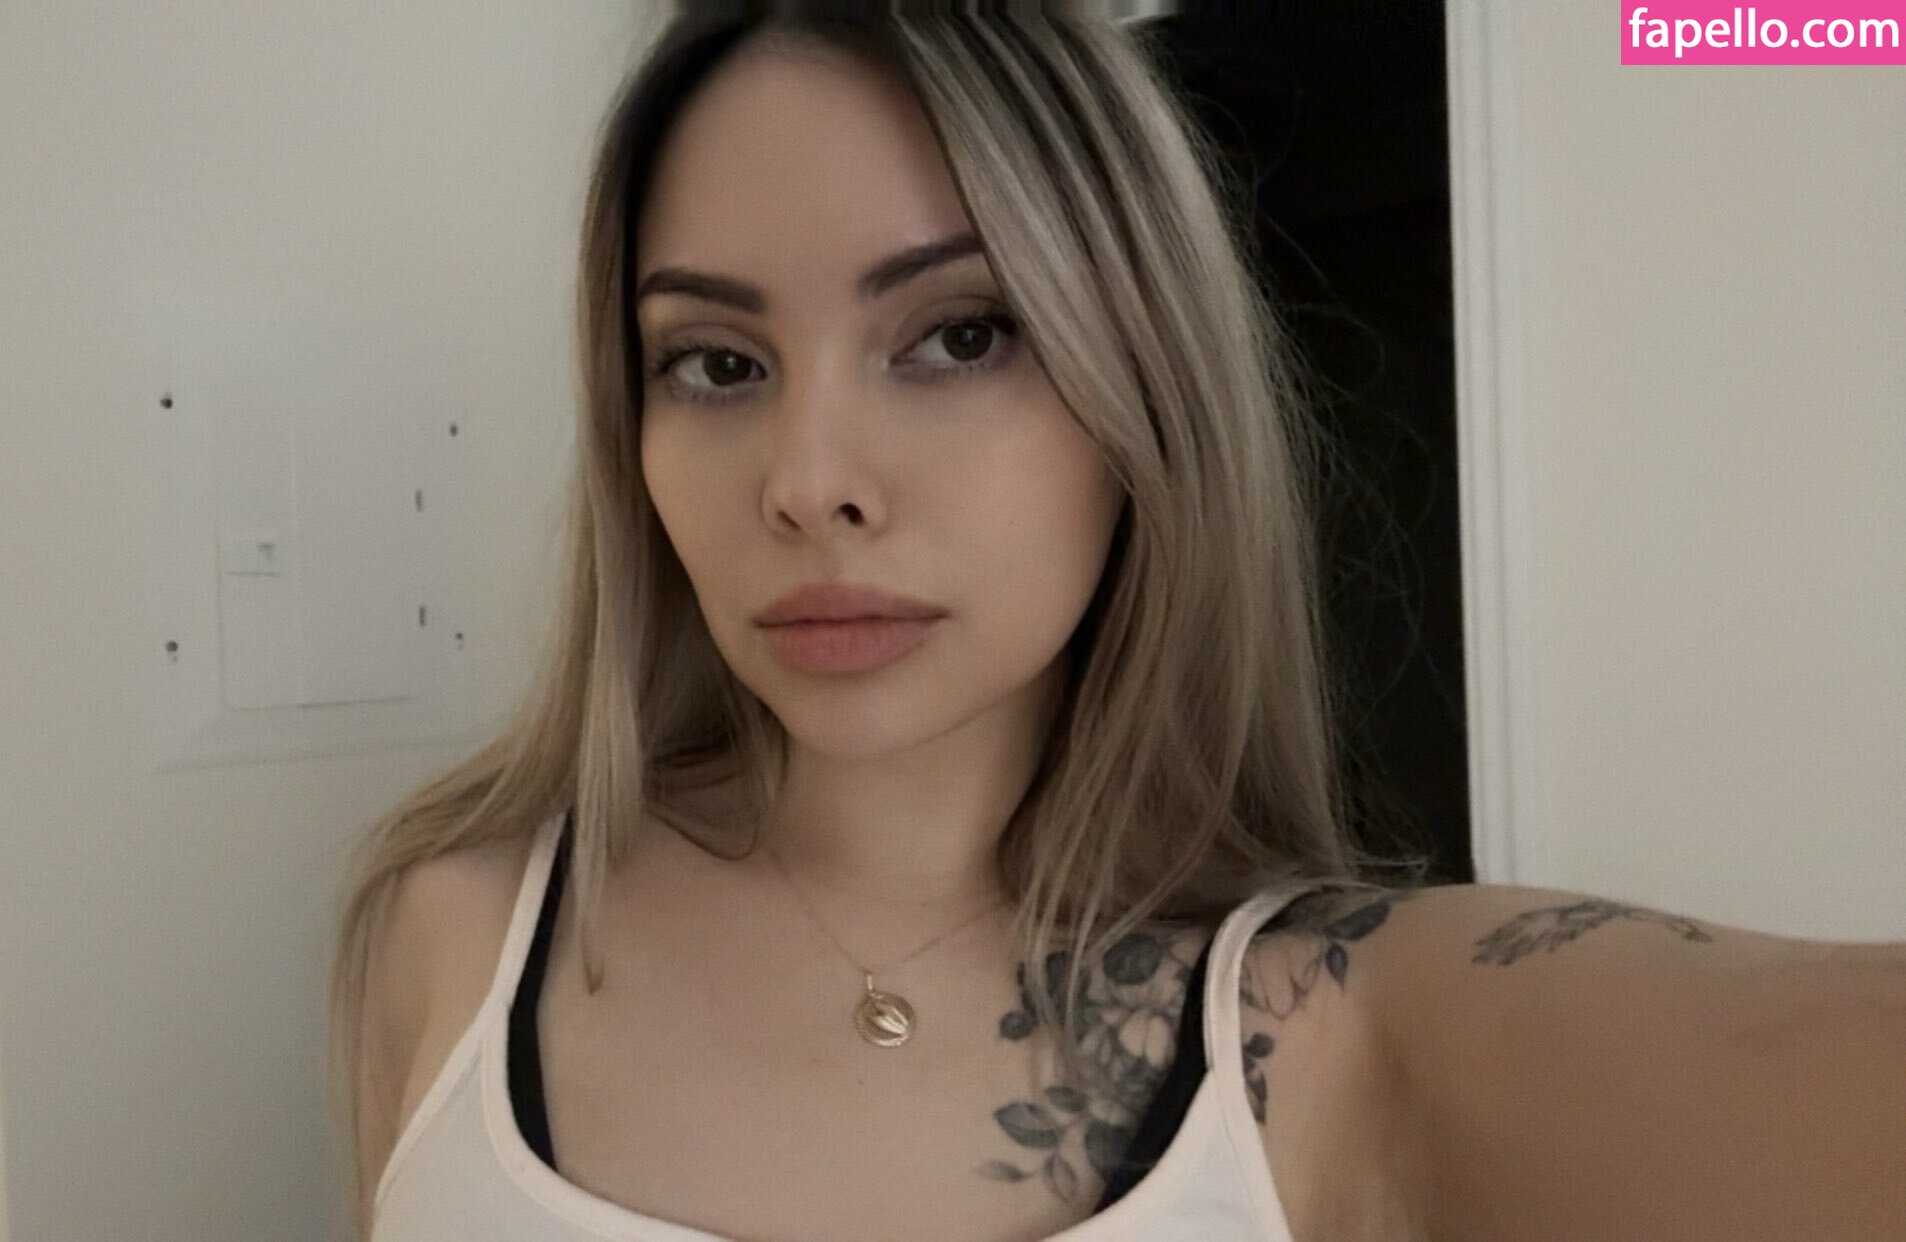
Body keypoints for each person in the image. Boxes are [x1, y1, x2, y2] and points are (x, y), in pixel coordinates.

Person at [327, 5, 1906, 1240]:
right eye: (716, 364)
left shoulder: (1338, 1021)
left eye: (958, 334)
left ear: (1141, 383)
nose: (808, 485)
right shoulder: (452, 927)